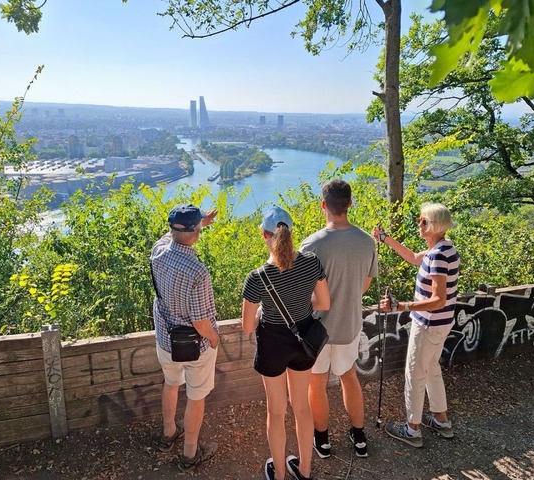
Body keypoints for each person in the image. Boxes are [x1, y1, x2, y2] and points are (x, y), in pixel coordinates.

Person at [242, 206, 330, 480]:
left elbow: (247, 326)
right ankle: (304, 470)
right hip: (304, 340)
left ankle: (279, 474)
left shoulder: (258, 277)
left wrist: (258, 313)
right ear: (290, 233)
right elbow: (324, 303)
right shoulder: (312, 262)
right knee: (301, 406)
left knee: (276, 411)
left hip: (273, 344)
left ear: (263, 235)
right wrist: (301, 306)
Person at [299, 179, 378, 459]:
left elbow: (302, 289)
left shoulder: (312, 244)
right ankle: (359, 437)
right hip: (349, 325)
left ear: (324, 205)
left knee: (316, 384)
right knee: (349, 377)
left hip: (317, 329)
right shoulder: (367, 242)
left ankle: (322, 441)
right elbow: (364, 286)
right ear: (350, 204)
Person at [373, 202, 460, 448]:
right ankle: (441, 421)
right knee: (431, 368)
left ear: (434, 226)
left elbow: (437, 300)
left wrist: (402, 306)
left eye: (423, 221)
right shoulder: (444, 248)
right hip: (440, 325)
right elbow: (412, 257)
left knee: (414, 373)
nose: (418, 224)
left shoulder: (438, 256)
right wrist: (385, 239)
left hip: (429, 325)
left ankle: (412, 430)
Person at [151, 203, 221, 470]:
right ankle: (190, 454)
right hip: (195, 345)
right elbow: (201, 321)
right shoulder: (197, 271)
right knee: (195, 397)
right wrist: (214, 339)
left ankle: (168, 434)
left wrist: (198, 222)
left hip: (166, 339)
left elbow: (175, 235)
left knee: (171, 383)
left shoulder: (158, 251)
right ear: (196, 234)